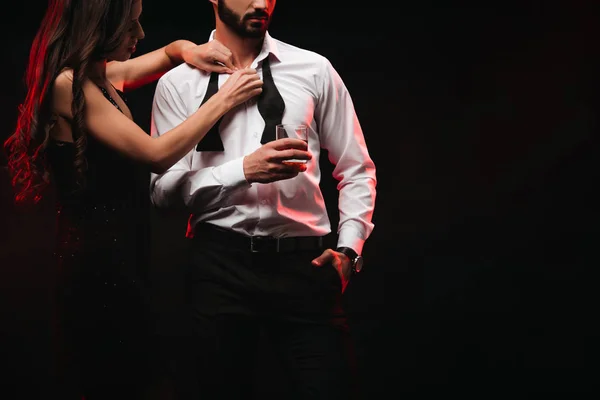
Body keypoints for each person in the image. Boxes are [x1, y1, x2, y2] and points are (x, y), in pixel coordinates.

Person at [2, 0, 263, 398]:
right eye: (131, 27)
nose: (139, 36)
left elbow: (168, 52)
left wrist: (187, 50)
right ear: (100, 27)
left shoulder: (102, 77)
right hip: (96, 267)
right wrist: (225, 99)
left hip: (126, 256)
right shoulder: (67, 86)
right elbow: (155, 154)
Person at [149, 0, 377, 398]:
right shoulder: (178, 84)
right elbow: (162, 193)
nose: (261, 3)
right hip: (219, 267)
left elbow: (357, 168)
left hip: (304, 267)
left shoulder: (313, 69)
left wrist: (349, 250)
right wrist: (242, 170)